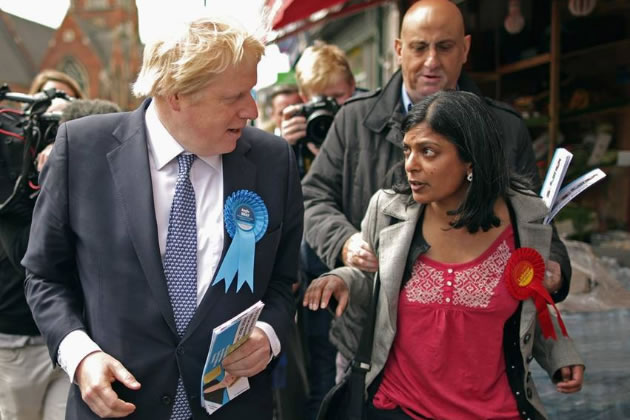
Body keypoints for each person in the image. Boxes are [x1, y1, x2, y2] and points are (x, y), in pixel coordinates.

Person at [22, 15, 303, 420]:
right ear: (175, 95)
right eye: (234, 96)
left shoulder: (274, 161)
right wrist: (80, 356)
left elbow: (281, 281)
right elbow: (44, 276)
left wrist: (269, 335)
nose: (252, 110)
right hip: (117, 408)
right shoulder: (82, 149)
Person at [303, 90, 584, 420]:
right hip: (397, 406)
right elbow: (374, 280)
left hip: (494, 410)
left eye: (428, 152)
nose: (411, 165)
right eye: (407, 150)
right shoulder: (390, 210)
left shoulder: (525, 219)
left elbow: (528, 301)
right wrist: (341, 279)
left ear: (470, 159)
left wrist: (559, 352)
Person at [301, 0, 571, 302]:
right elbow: (313, 197)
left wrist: (554, 270)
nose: (431, 61)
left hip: (479, 322)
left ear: (465, 49)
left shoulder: (504, 128)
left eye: (444, 47)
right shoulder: (354, 119)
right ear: (399, 49)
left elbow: (541, 221)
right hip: (371, 324)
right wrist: (344, 242)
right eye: (419, 48)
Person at [0, 70, 87, 420]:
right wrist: (45, 179)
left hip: (71, 337)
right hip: (15, 343)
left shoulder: (90, 163)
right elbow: (26, 252)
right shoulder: (12, 169)